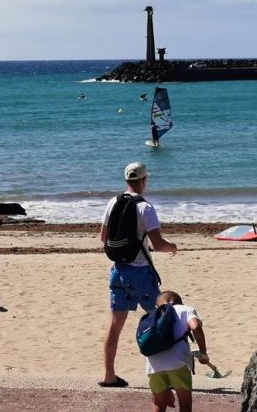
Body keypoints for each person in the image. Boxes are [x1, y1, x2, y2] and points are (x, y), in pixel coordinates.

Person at [99, 162, 178, 388]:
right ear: (144, 181)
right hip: (141, 272)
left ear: (127, 181)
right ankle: (166, 376)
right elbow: (159, 243)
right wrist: (173, 247)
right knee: (162, 322)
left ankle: (109, 375)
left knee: (115, 326)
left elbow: (102, 238)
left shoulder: (113, 202)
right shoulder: (145, 208)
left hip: (118, 271)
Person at [142, 290, 208, 412]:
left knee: (158, 403)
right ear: (180, 302)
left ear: (158, 305)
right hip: (178, 362)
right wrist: (203, 352)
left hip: (153, 364)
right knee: (184, 405)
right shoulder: (186, 309)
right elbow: (196, 327)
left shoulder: (153, 315)